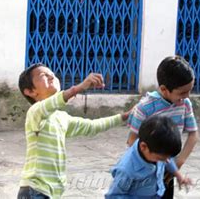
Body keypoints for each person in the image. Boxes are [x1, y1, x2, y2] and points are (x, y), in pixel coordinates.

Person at [17, 63, 129, 199]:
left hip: (51, 193)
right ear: (30, 91)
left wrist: (124, 117)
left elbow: (92, 126)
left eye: (52, 73)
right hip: (34, 190)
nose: (51, 76)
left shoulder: (62, 118)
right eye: (43, 75)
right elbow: (55, 102)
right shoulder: (35, 113)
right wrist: (80, 87)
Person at [127, 55, 199, 198]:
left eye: (190, 90)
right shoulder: (144, 108)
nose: (187, 96)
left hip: (168, 171)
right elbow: (131, 141)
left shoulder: (184, 104)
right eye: (182, 93)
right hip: (145, 172)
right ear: (164, 89)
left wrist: (177, 164)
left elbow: (194, 135)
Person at [106, 115, 192, 198]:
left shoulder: (157, 149)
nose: (166, 161)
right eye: (161, 159)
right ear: (143, 147)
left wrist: (179, 175)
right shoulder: (127, 170)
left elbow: (167, 160)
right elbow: (113, 196)